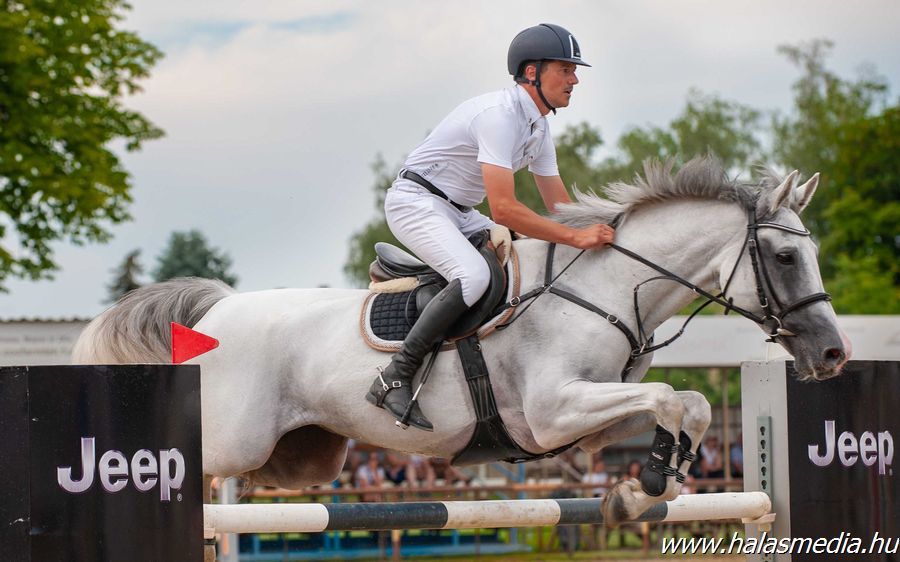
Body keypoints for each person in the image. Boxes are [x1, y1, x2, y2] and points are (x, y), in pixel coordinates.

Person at [366, 23, 615, 431]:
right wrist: (575, 237)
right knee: (474, 275)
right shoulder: (499, 117)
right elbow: (504, 209)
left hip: (459, 210)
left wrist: (605, 234)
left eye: (574, 70)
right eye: (565, 69)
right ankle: (396, 372)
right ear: (531, 72)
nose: (575, 79)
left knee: (525, 259)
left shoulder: (538, 125)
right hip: (416, 203)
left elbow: (560, 207)